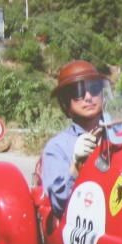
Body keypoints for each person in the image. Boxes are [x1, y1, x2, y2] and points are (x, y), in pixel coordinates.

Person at [42, 60, 111, 216]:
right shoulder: (57, 147)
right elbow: (58, 204)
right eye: (77, 92)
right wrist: (76, 165)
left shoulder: (121, 132)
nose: (88, 97)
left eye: (94, 89)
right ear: (66, 102)